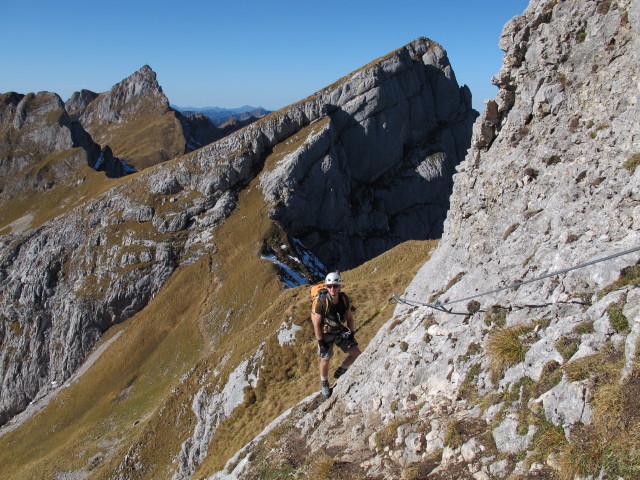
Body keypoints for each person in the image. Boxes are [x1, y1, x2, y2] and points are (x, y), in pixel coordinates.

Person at [311, 271, 361, 399]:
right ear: (326, 287)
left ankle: (342, 369)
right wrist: (320, 342)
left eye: (335, 286)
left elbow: (349, 317)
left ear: (340, 286)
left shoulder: (344, 299)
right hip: (326, 333)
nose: (332, 288)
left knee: (356, 354)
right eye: (329, 286)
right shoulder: (322, 302)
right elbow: (316, 323)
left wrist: (351, 332)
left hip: (339, 331)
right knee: (325, 359)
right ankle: (324, 383)